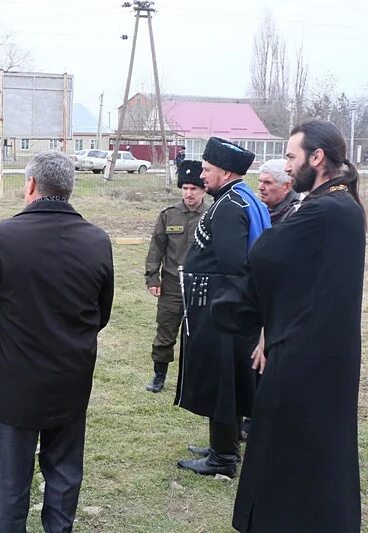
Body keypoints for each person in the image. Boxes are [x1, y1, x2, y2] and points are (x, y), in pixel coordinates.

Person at [212, 119, 365, 532]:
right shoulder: (341, 205)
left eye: (291, 157)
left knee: (291, 447)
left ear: (317, 158)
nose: (287, 166)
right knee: (318, 448)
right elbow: (305, 279)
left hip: (308, 356)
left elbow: (266, 255)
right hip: (320, 346)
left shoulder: (326, 211)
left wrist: (234, 309)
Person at [0, 151, 114, 533]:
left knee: (12, 490)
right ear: (69, 189)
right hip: (70, 378)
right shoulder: (97, 240)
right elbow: (101, 313)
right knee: (63, 478)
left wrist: (2, 354)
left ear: (30, 185)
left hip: (17, 382)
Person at [174, 137, 271, 477]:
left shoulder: (231, 207)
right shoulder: (235, 200)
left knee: (222, 383)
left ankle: (223, 459)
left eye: (208, 169)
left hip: (223, 312)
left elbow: (234, 266)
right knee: (225, 383)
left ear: (226, 172)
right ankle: (223, 444)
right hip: (224, 309)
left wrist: (223, 311)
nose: (202, 174)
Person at [144, 160, 206, 393]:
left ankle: (194, 379)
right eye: (186, 188)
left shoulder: (212, 215)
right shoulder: (168, 215)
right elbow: (156, 248)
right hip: (171, 284)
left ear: (203, 190)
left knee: (198, 335)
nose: (189, 193)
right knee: (165, 331)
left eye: (194, 189)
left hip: (201, 286)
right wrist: (152, 277)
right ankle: (159, 375)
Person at [256, 158, 301, 224]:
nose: (260, 187)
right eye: (260, 181)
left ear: (286, 187)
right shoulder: (260, 208)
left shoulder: (299, 213)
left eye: (267, 182)